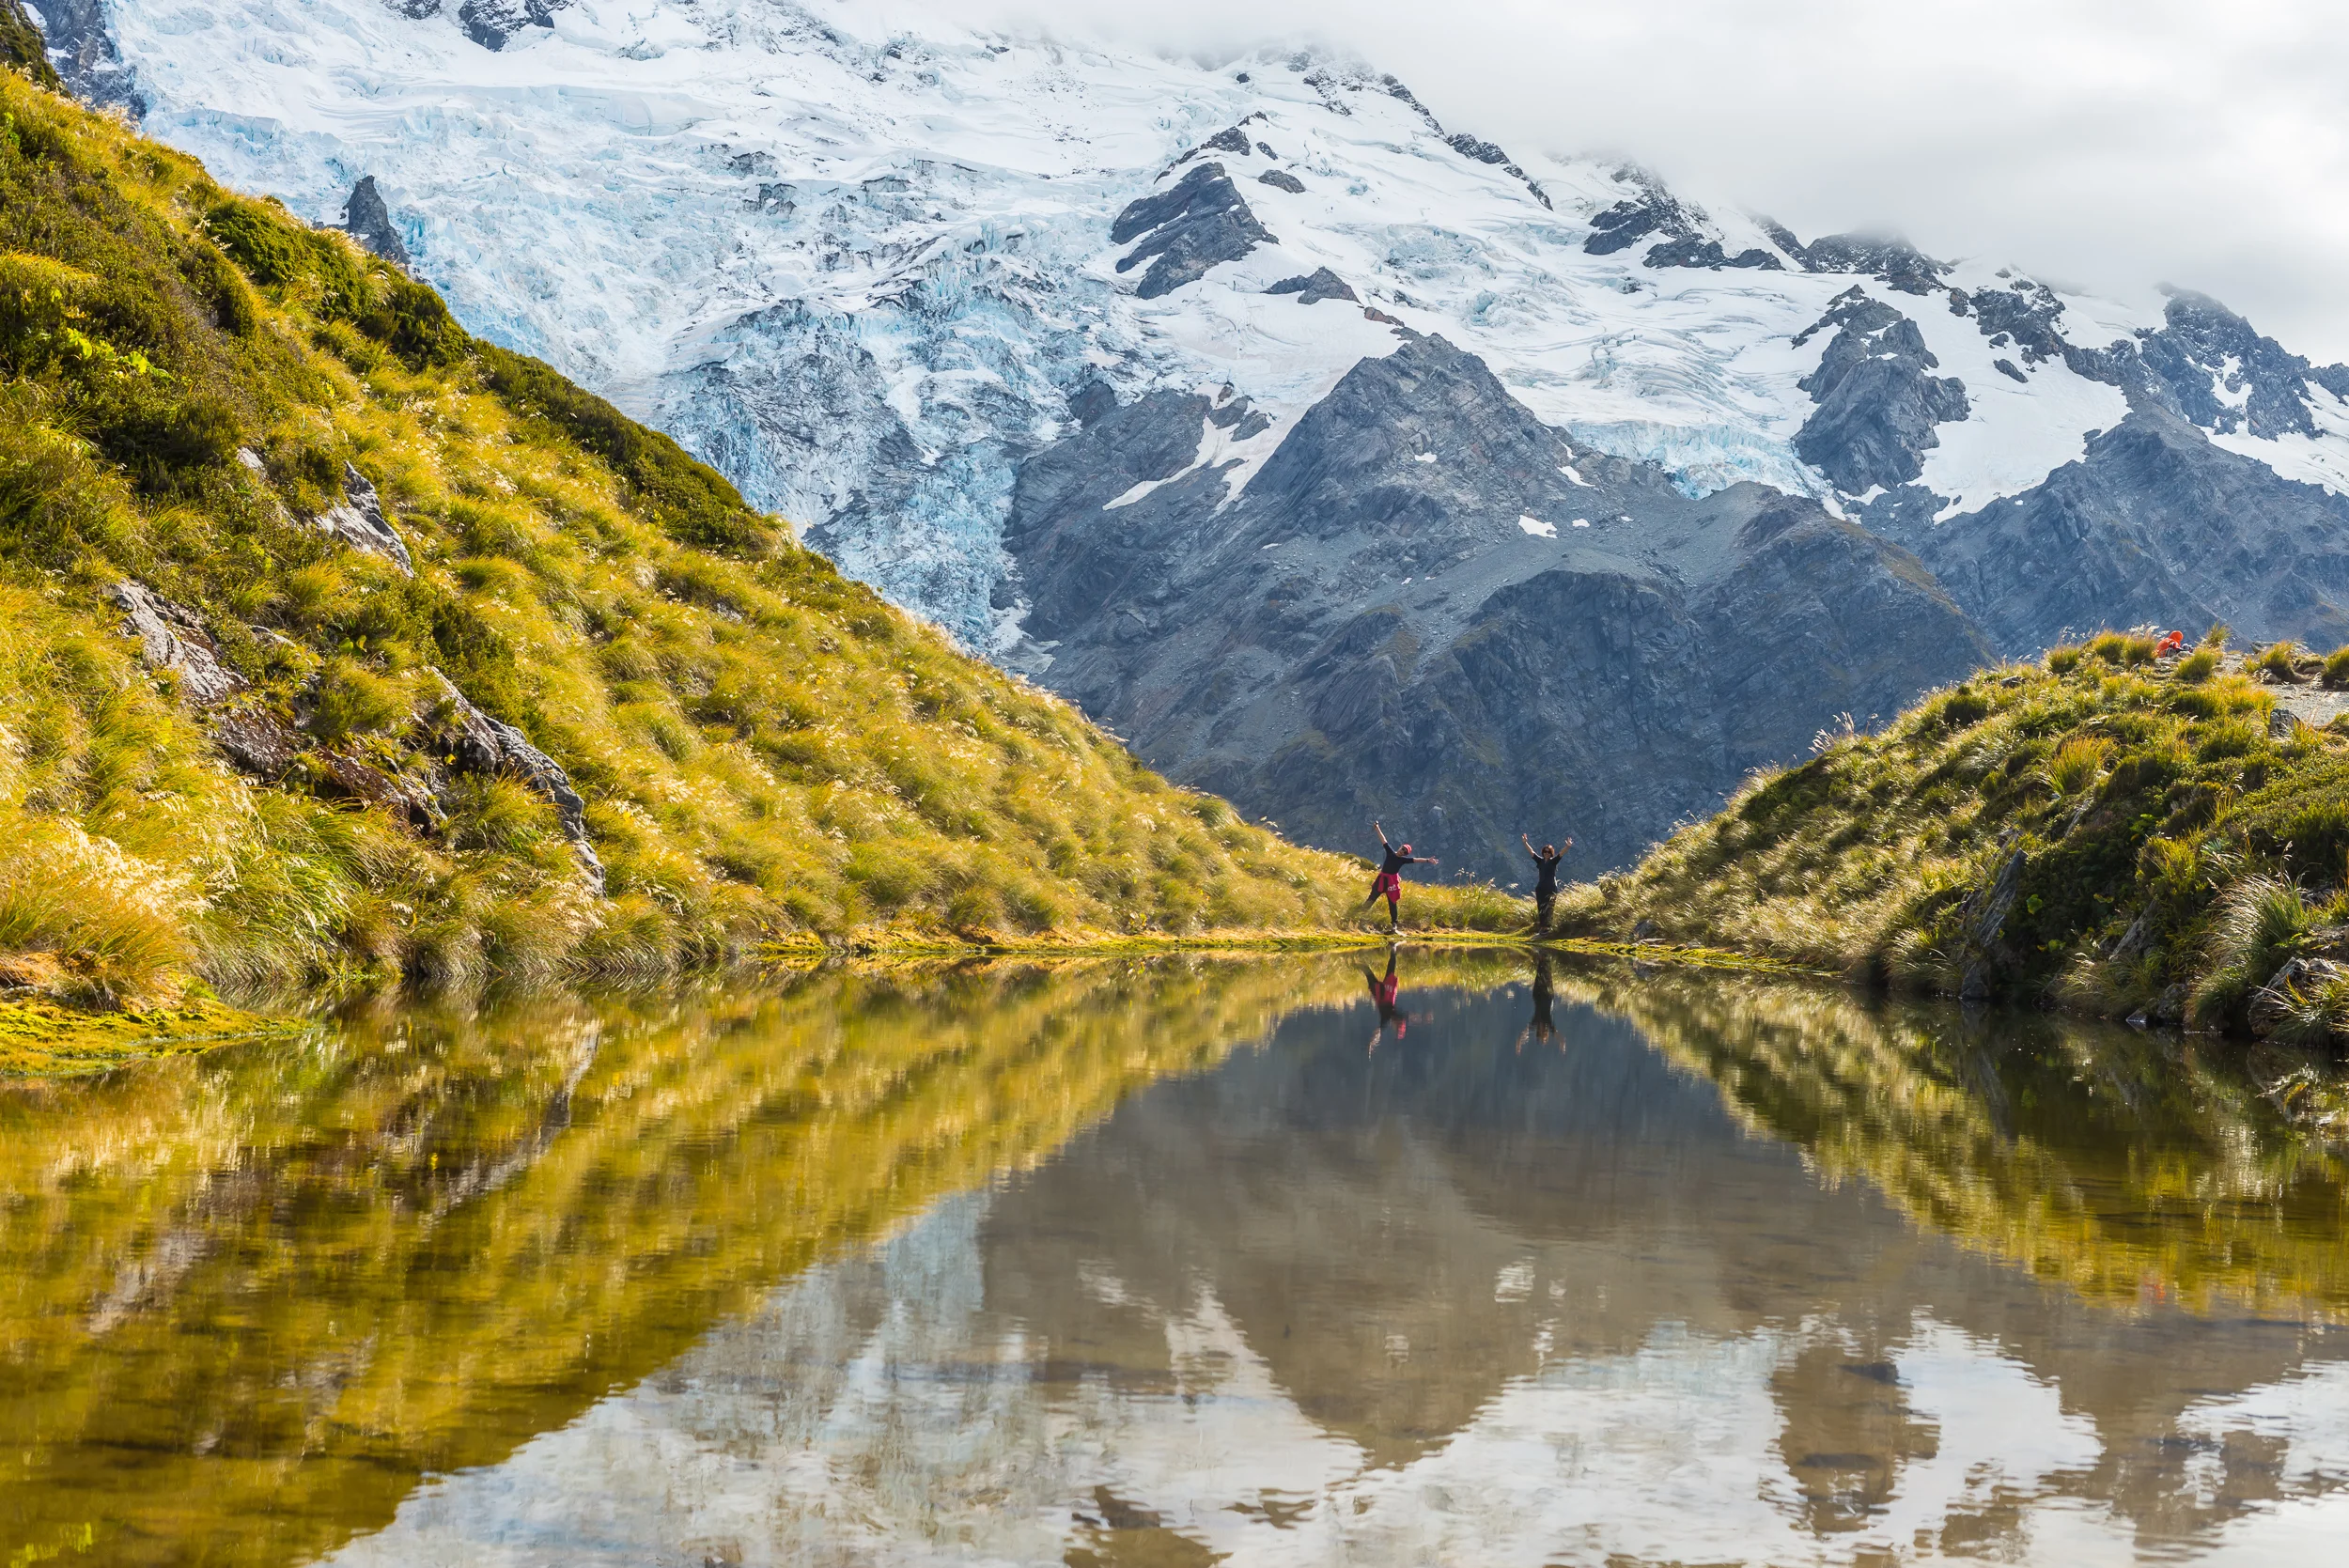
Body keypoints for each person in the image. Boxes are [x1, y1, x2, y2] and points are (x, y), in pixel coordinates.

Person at [1362, 820, 1438, 933]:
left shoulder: (1403, 860)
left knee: (1392, 902)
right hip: (1382, 880)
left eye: (1405, 852)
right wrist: (1377, 828)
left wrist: (1428, 860)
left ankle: (1394, 926)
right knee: (1372, 898)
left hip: (1391, 882)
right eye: (1403, 849)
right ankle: (1359, 916)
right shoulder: (1390, 852)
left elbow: (1415, 860)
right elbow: (1384, 840)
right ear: (1400, 847)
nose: (1403, 851)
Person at [1522, 833, 1571, 934]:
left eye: (1549, 852)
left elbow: (1561, 854)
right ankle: (1542, 926)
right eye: (1545, 852)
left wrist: (1567, 846)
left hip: (1551, 887)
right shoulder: (1540, 861)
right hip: (1540, 888)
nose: (1547, 853)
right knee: (1541, 906)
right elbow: (1531, 852)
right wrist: (1525, 842)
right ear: (1543, 852)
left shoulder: (1553, 862)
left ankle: (1548, 927)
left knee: (1550, 907)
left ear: (1551, 853)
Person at [1363, 946, 1408, 1049]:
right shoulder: (1395, 1016)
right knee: (1391, 968)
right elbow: (1411, 1017)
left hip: (1380, 991)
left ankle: (1351, 962)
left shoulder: (1387, 1019)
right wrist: (1423, 1018)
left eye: (1396, 1027)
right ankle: (1393, 948)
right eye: (1397, 1026)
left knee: (1367, 970)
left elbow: (1378, 1032)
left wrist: (1371, 1044)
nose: (1395, 1025)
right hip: (1387, 990)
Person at [1515, 951, 1557, 1052]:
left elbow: (1526, 1031)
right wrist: (1561, 1043)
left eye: (1543, 1035)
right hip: (1547, 995)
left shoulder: (1536, 1021)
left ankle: (1542, 957)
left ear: (1539, 1032)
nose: (1545, 1033)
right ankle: (1546, 957)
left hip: (1538, 994)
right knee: (1548, 976)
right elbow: (1557, 1035)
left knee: (1539, 975)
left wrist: (1520, 1042)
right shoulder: (1548, 1023)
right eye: (1545, 1036)